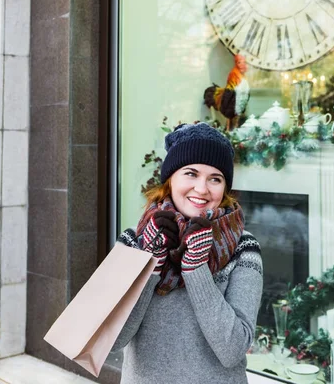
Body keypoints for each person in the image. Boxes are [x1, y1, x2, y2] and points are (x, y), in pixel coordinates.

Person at [112, 122, 263, 384]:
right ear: (170, 179)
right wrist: (150, 264)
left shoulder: (243, 248)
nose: (202, 189)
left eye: (215, 178)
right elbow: (113, 338)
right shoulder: (135, 241)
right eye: (191, 174)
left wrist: (196, 269)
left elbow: (233, 350)